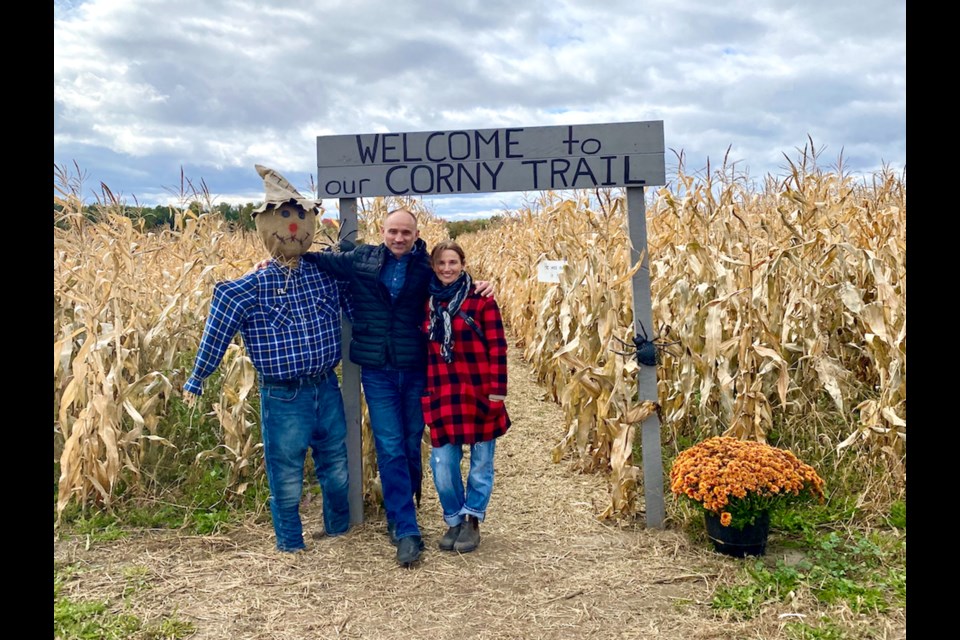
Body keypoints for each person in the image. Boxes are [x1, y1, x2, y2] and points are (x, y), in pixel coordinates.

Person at [298, 208, 493, 567]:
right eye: (393, 231)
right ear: (382, 231)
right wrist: (281, 256)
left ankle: (405, 508)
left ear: (416, 233)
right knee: (389, 446)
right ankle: (406, 528)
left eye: (406, 232)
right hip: (377, 371)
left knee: (408, 443)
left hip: (418, 369)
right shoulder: (362, 259)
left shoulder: (425, 268)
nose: (399, 238)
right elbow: (320, 261)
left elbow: (454, 285)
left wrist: (482, 286)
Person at [184, 165, 351, 553]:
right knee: (287, 475)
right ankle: (291, 545)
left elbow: (361, 301)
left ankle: (340, 533)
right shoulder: (247, 287)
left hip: (327, 386)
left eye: (300, 217)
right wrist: (197, 376)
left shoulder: (327, 274)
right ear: (265, 224)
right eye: (284, 217)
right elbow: (217, 332)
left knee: (337, 469)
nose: (293, 228)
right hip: (284, 396)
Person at [421, 241, 510, 553]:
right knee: (443, 462)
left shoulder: (481, 300)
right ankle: (453, 518)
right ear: (433, 267)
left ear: (462, 264)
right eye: (441, 263)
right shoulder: (427, 302)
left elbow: (498, 347)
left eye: (453, 262)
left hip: (479, 391)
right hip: (443, 392)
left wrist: (498, 392)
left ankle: (472, 520)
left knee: (481, 463)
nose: (447, 269)